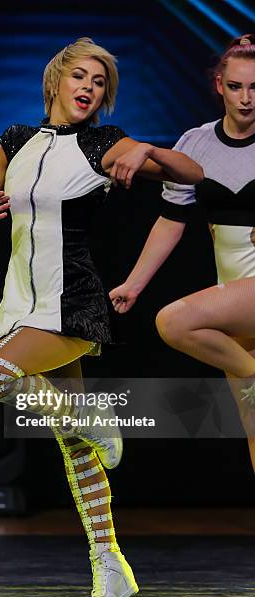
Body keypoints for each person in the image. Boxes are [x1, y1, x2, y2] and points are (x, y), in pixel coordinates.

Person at [0, 37, 203, 597]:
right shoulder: (15, 139)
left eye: (100, 82)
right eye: (81, 78)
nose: (90, 88)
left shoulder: (105, 144)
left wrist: (144, 148)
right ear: (56, 83)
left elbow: (191, 171)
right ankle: (109, 565)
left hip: (73, 300)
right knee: (74, 446)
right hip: (21, 298)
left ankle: (95, 418)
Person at [110, 34, 255, 474]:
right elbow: (173, 220)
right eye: (236, 87)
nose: (246, 99)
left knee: (174, 320)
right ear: (219, 86)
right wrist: (133, 284)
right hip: (235, 293)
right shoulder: (195, 143)